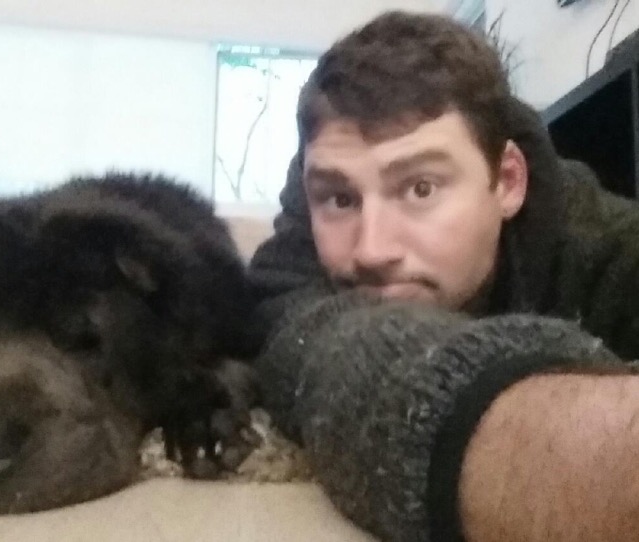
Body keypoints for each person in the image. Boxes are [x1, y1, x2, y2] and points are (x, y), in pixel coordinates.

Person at [250, 10, 639, 542]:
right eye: (339, 199)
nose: (372, 250)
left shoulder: (598, 236)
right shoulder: (291, 266)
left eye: (420, 188)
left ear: (507, 182)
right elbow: (319, 345)